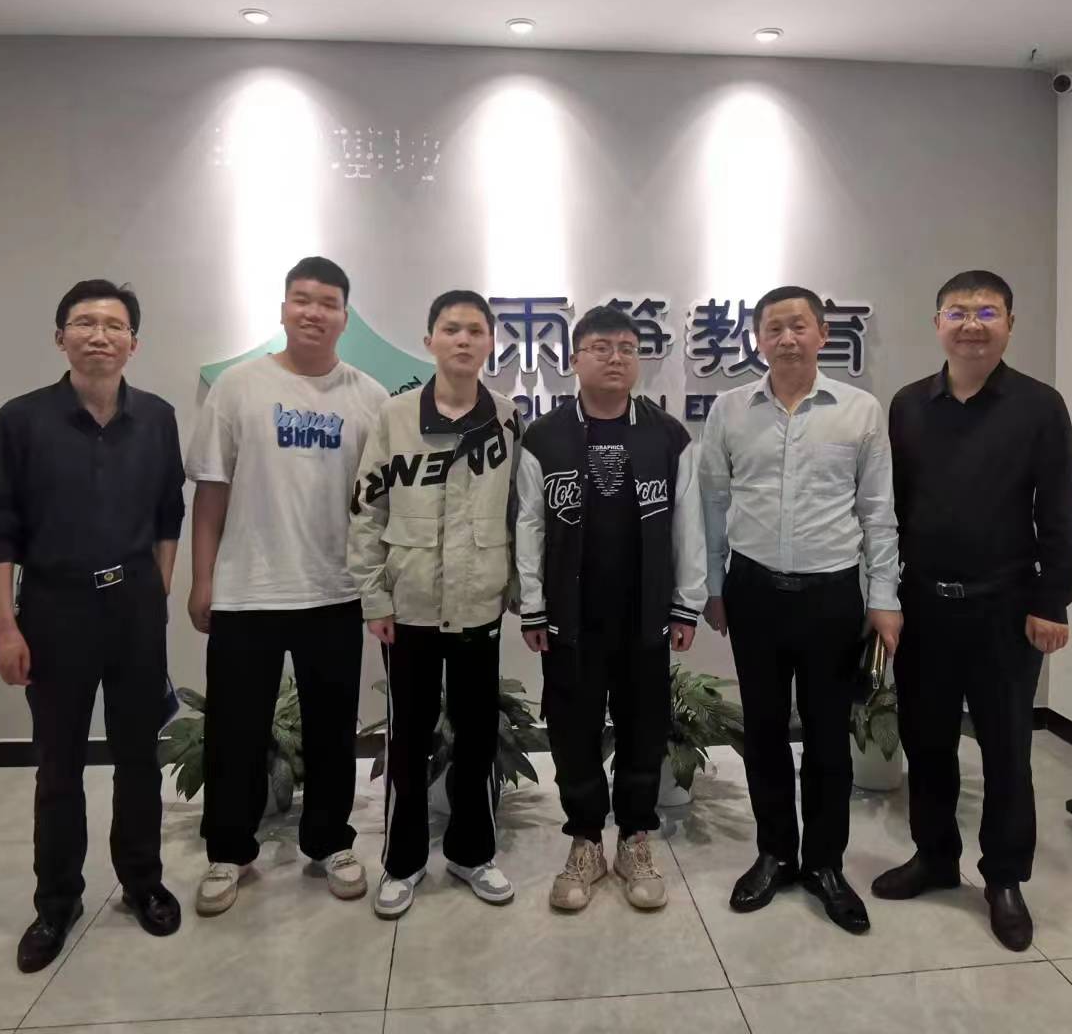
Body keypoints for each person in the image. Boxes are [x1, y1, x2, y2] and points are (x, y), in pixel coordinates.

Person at [0, 279, 187, 973]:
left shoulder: (157, 418)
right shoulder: (22, 420)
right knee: (59, 764)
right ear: (59, 336)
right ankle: (56, 901)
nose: (99, 335)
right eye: (85, 323)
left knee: (138, 757)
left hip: (134, 611)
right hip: (54, 611)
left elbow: (168, 513)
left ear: (134, 343)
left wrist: (158, 590)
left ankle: (143, 881)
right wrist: (5, 628)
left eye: (114, 325)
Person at [873, 270, 1072, 953]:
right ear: (937, 324)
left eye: (987, 312)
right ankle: (935, 857)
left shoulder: (1040, 407)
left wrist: (1053, 599)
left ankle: (1004, 877)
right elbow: (888, 510)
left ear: (1010, 325)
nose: (971, 324)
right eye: (958, 312)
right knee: (927, 741)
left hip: (1005, 608)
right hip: (923, 607)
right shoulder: (908, 406)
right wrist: (883, 596)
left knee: (1007, 748)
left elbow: (1058, 510)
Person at [184, 256, 389, 916]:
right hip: (248, 589)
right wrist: (202, 580)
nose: (313, 312)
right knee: (235, 730)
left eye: (327, 302)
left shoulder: (370, 397)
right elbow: (210, 493)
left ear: (345, 317)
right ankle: (229, 850)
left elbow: (378, 506)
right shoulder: (238, 388)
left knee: (332, 728)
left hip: (334, 589)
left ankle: (329, 842)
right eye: (302, 299)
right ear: (282, 309)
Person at [698, 285, 900, 934]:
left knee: (828, 739)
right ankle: (775, 854)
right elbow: (712, 504)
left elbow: (878, 511)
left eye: (799, 326)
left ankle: (825, 864)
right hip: (753, 592)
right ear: (758, 338)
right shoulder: (730, 410)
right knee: (761, 731)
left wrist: (884, 597)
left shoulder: (859, 410)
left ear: (822, 334)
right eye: (774, 328)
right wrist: (713, 586)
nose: (787, 338)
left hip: (831, 597)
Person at [517, 305, 708, 912]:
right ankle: (584, 842)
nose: (616, 358)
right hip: (570, 618)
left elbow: (688, 525)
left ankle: (633, 839)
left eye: (627, 347)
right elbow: (529, 525)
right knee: (572, 732)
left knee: (643, 729)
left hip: (644, 615)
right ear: (575, 358)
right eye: (601, 347)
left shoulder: (667, 436)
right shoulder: (544, 437)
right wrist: (532, 606)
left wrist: (686, 604)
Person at [347, 290, 522, 919]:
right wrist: (374, 597)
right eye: (451, 329)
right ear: (430, 340)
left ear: (490, 343)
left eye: (476, 330)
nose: (464, 340)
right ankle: (403, 861)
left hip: (477, 605)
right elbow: (367, 510)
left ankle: (473, 854)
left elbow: (519, 510)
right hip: (411, 608)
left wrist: (518, 592)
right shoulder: (394, 418)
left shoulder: (508, 418)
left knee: (476, 737)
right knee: (408, 740)